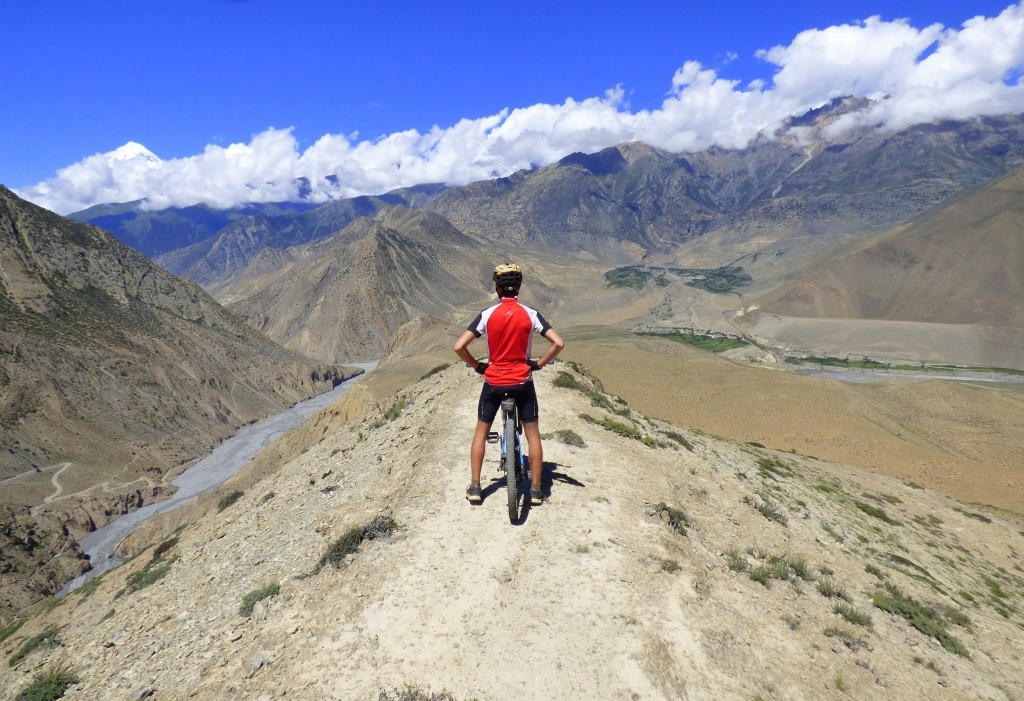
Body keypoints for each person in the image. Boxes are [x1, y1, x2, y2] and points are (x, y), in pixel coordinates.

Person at [453, 264, 565, 506]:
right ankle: (535, 491)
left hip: (493, 380)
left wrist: (477, 366)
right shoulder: (531, 314)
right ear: (520, 288)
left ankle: (475, 487)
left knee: (481, 433)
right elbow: (558, 342)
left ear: (497, 288)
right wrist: (539, 364)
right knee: (533, 436)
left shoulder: (486, 315)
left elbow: (459, 346)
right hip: (523, 380)